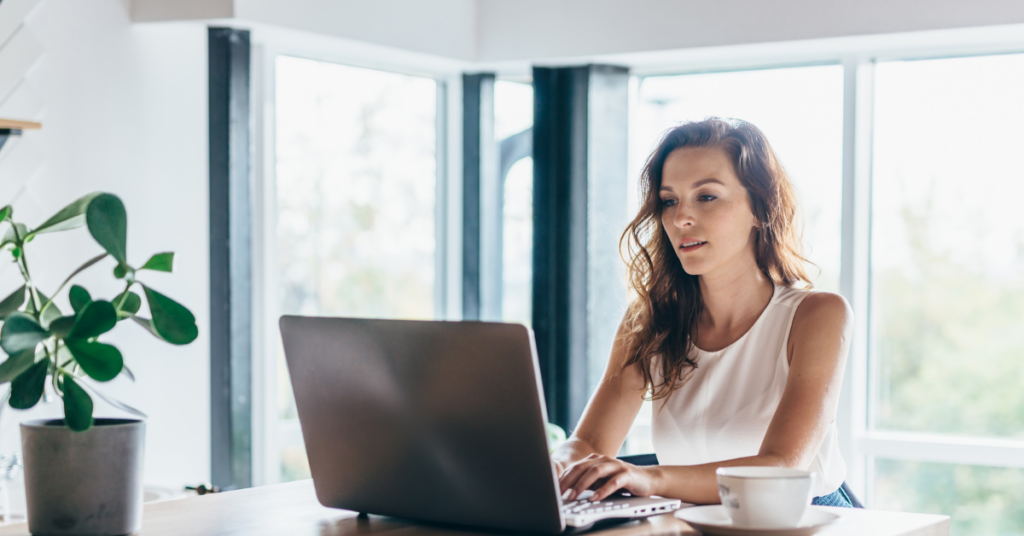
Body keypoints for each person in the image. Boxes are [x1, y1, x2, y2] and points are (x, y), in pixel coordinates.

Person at [551, 118, 854, 507]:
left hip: (803, 521)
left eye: (706, 197)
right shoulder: (648, 321)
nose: (681, 219)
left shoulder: (818, 314)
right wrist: (550, 468)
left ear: (760, 209)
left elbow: (781, 468)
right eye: (669, 200)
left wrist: (650, 478)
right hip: (692, 518)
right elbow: (588, 443)